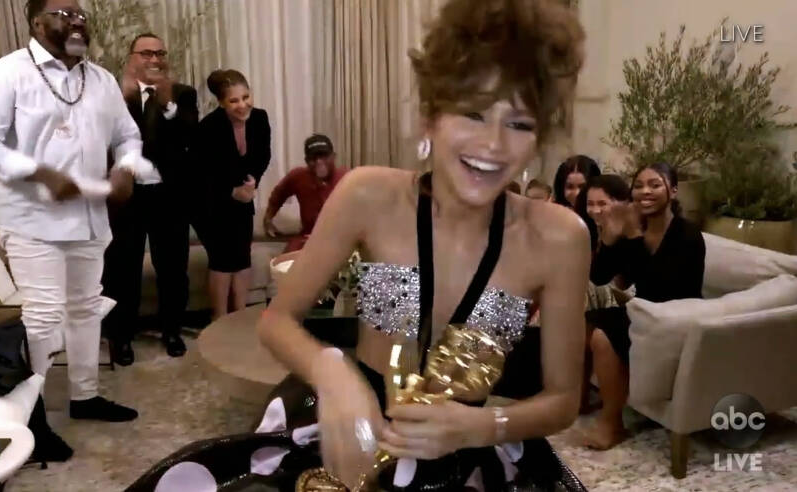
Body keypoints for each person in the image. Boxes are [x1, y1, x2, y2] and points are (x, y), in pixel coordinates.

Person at [258, 0, 590, 489]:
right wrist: (332, 373)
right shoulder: (367, 194)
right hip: (349, 438)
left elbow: (563, 400)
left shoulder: (561, 238)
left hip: (464, 458)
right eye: (473, 113)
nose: (494, 144)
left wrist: (481, 427)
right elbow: (276, 321)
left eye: (519, 124)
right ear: (431, 116)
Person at [0, 0, 145, 458]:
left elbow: (128, 135)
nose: (78, 20)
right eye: (64, 13)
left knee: (86, 308)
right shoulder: (9, 73)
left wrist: (124, 169)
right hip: (31, 219)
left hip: (90, 216)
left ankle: (85, 396)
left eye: (81, 13)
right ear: (36, 22)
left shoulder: (100, 79)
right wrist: (41, 173)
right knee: (43, 317)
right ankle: (30, 418)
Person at [580, 162, 705, 449]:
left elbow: (661, 285)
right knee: (582, 321)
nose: (645, 191)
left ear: (673, 191)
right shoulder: (636, 229)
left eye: (655, 185)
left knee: (603, 336)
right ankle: (580, 398)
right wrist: (609, 238)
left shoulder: (687, 234)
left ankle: (612, 423)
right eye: (638, 186)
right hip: (645, 312)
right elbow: (599, 276)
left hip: (675, 318)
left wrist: (634, 236)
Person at [102, 33, 199, 365]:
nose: (154, 59)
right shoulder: (113, 95)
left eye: (159, 53)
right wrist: (123, 100)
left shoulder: (183, 95)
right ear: (132, 58)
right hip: (128, 198)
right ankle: (121, 336)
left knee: (173, 269)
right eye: (146, 53)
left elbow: (190, 138)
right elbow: (100, 139)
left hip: (168, 197)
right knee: (122, 269)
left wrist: (168, 105)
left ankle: (172, 331)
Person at [193, 69, 271, 320]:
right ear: (221, 103)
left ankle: (239, 317)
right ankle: (219, 320)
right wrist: (232, 191)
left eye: (246, 97)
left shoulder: (260, 118)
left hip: (242, 197)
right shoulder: (209, 127)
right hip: (209, 201)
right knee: (223, 260)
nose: (242, 105)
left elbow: (263, 156)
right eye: (234, 100)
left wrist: (252, 183)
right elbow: (202, 174)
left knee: (242, 257)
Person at [263, 134, 347, 253]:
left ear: (333, 156)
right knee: (285, 261)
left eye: (324, 156)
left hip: (340, 240)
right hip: (308, 238)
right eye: (313, 158)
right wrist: (268, 220)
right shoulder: (298, 177)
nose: (319, 162)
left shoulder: (347, 178)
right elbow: (277, 195)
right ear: (306, 161)